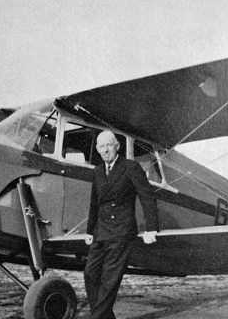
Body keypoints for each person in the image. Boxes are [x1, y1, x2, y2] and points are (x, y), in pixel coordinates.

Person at [84, 130, 159, 319]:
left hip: (121, 232)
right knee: (90, 274)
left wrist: (151, 227)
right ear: (97, 149)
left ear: (117, 146)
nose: (105, 149)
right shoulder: (98, 171)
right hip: (101, 231)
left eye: (109, 145)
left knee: (109, 282)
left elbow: (147, 197)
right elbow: (95, 203)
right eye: (101, 146)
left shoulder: (130, 167)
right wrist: (89, 231)